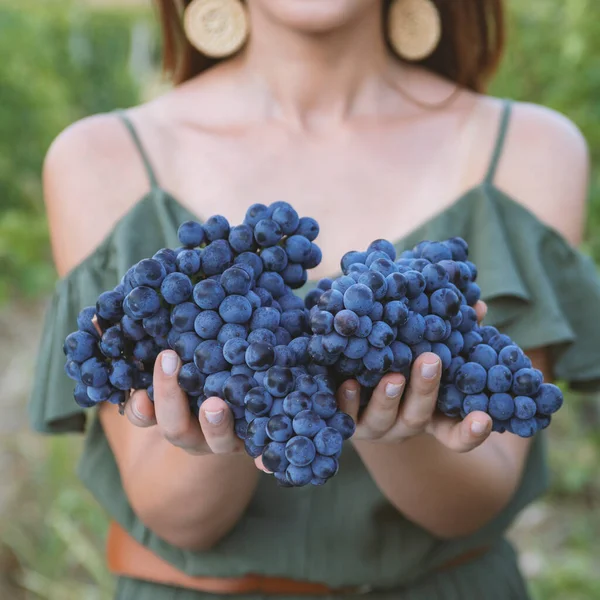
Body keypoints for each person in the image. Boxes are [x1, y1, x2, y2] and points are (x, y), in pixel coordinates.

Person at [30, 1, 600, 598]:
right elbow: (178, 520)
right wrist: (235, 400)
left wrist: (387, 418)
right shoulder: (97, 157)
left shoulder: (533, 147)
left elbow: (473, 506)